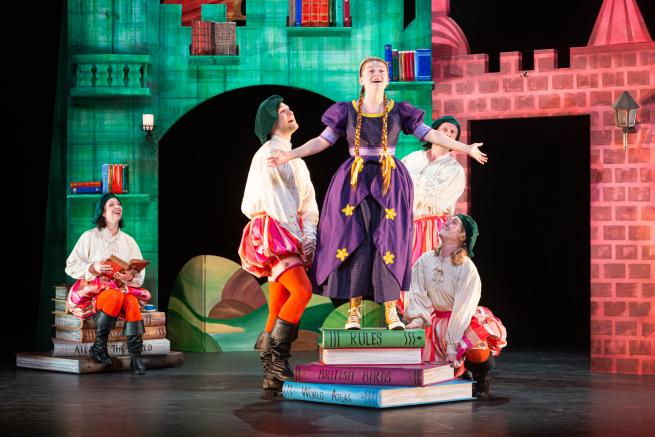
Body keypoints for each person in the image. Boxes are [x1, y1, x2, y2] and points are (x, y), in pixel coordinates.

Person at [268, 57, 487, 331]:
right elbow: (322, 141)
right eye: (370, 70)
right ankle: (354, 312)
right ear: (361, 79)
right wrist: (290, 154)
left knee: (389, 245)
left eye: (381, 70)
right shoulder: (347, 111)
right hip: (354, 181)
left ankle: (392, 312)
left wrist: (465, 148)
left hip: (389, 182)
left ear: (387, 78)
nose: (376, 74)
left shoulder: (399, 112)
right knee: (355, 244)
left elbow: (431, 134)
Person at [239, 95, 318, 390]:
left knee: (279, 303)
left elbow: (307, 202)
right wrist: (295, 236)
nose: (289, 112)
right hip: (275, 230)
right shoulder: (269, 152)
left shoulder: (292, 155)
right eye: (282, 111)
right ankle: (276, 359)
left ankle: (271, 374)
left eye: (288, 108)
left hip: (290, 228)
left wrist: (309, 233)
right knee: (302, 291)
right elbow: (277, 200)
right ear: (271, 122)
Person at [404, 214, 507, 397]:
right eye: (448, 220)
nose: (447, 223)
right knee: (431, 373)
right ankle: (462, 372)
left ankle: (481, 378)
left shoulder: (467, 268)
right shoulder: (425, 260)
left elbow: (463, 308)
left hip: (461, 321)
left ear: (462, 236)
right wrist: (419, 318)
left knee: (475, 344)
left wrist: (452, 344)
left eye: (454, 223)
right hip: (437, 322)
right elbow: (417, 292)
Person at [65, 193, 152, 375]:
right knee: (115, 294)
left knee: (131, 301)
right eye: (111, 204)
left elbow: (138, 270)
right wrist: (93, 267)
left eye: (119, 204)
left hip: (120, 289)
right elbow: (70, 265)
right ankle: (99, 346)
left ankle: (136, 356)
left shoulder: (129, 241)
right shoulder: (89, 237)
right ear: (103, 212)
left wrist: (131, 275)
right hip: (97, 293)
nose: (117, 206)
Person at [397, 115, 466, 314]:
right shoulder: (413, 158)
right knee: (406, 276)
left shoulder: (454, 169)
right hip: (408, 225)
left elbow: (437, 199)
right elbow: (395, 187)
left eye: (453, 132)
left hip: (433, 228)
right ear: (433, 131)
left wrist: (411, 182)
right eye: (445, 129)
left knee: (429, 278)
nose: (448, 134)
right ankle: (407, 321)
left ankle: (429, 330)